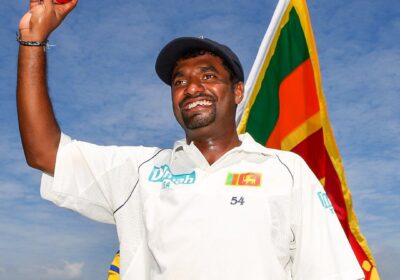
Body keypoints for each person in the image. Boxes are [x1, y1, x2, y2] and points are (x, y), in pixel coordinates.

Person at [17, 1, 365, 279]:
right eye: (179, 81)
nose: (192, 88)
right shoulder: (140, 172)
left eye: (208, 75)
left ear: (237, 91)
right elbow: (44, 153)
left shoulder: (286, 171)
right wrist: (33, 40)